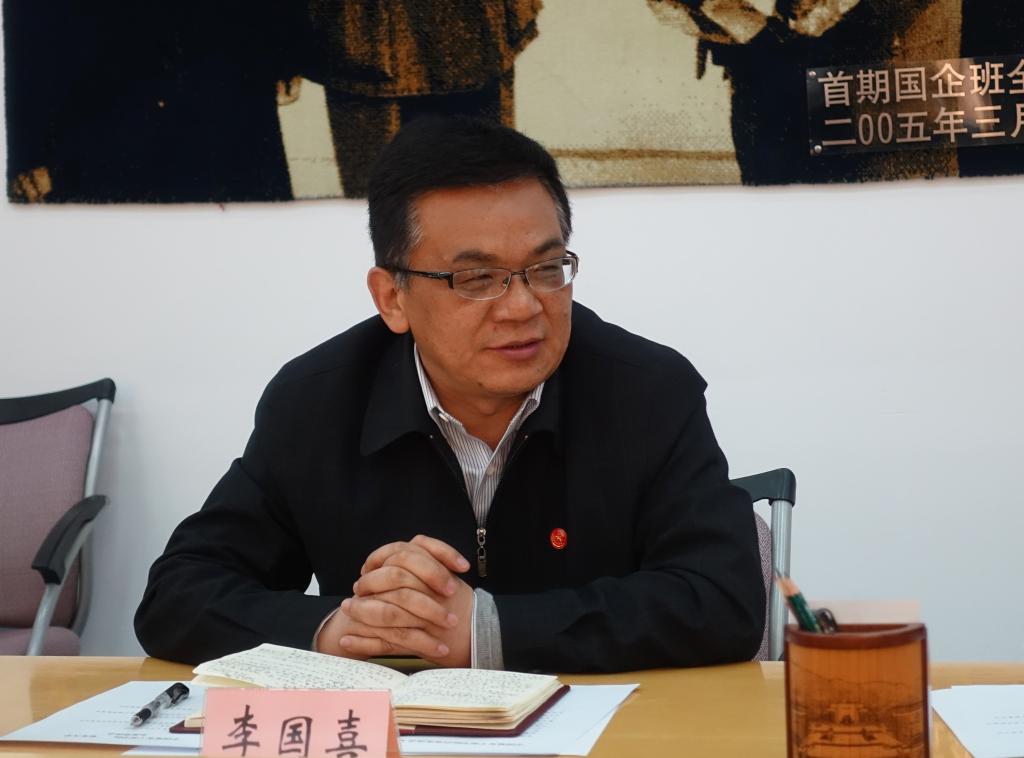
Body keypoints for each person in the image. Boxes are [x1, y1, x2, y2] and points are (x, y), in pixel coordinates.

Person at [135, 116, 765, 672]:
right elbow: (178, 595)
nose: (523, 307)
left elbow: (725, 600)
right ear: (392, 297)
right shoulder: (316, 403)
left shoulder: (648, 391)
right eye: (477, 278)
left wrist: (486, 631)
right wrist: (340, 629)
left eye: (547, 269)